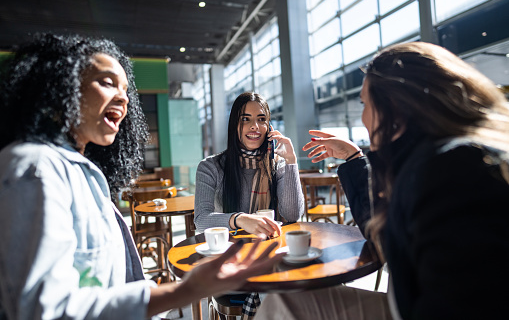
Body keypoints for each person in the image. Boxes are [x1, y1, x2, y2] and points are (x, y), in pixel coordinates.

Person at [0, 33, 284, 320]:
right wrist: (186, 290)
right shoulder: (33, 169)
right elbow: (43, 309)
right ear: (60, 87)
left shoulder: (82, 173)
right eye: (107, 82)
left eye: (125, 89)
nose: (123, 97)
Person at [255, 41, 509, 320]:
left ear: (396, 107)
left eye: (365, 103)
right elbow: (384, 236)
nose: (363, 117)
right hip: (410, 302)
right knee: (282, 302)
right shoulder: (455, 157)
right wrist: (354, 159)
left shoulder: (450, 171)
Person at [194, 92, 304, 238]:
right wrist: (240, 219)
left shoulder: (277, 164)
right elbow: (201, 220)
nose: (254, 126)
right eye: (245, 119)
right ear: (234, 125)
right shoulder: (210, 167)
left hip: (269, 247)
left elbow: (292, 215)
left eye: (261, 119)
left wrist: (291, 161)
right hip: (227, 250)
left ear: (269, 127)